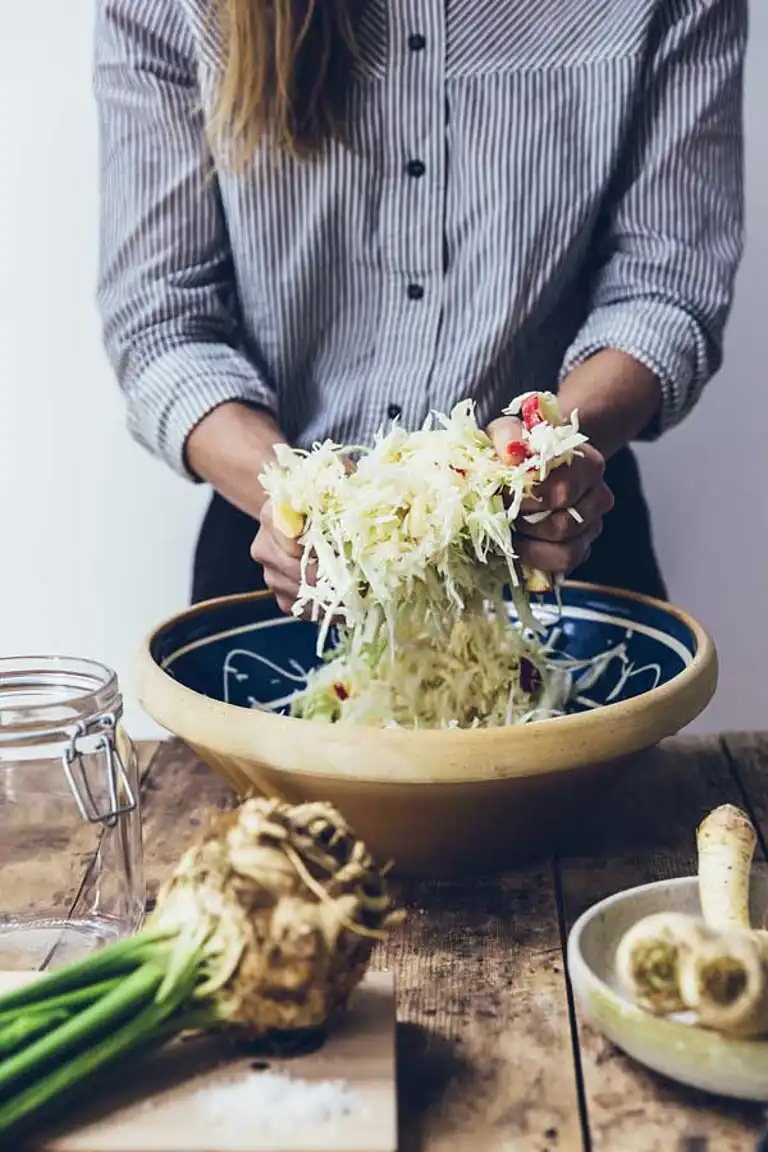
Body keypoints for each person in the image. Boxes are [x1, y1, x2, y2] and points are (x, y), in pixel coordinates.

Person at [94, 0, 746, 611]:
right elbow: (160, 320)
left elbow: (665, 286)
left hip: (561, 529)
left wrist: (544, 452)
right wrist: (295, 493)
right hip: (274, 552)